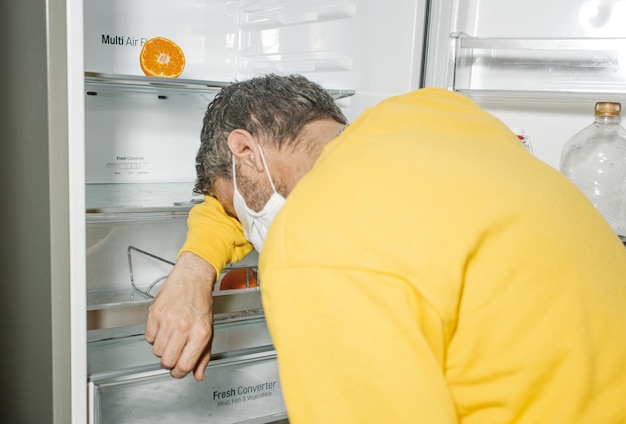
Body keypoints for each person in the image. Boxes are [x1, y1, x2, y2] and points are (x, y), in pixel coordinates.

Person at [145, 74, 626, 423]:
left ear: (246, 151)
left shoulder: (315, 241)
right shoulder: (439, 118)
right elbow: (230, 208)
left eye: (239, 212)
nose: (249, 232)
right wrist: (194, 269)